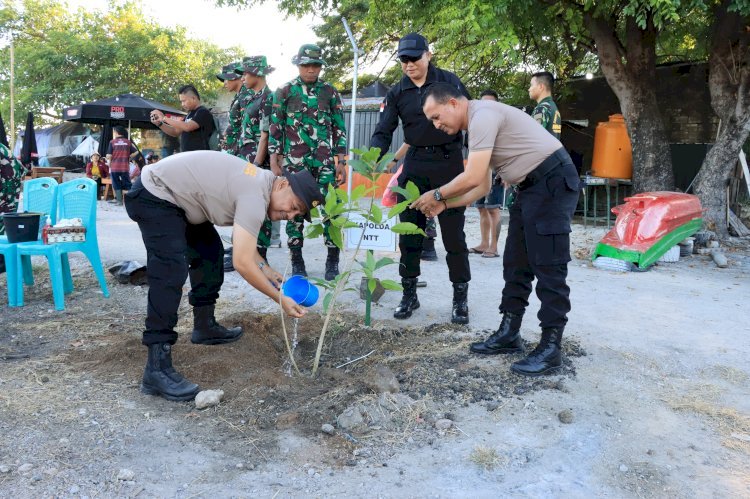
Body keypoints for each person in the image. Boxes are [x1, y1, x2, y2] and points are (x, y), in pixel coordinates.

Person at [124, 150, 325, 401]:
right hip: (155, 194)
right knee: (170, 271)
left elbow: (247, 251)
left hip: (182, 202)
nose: (290, 215)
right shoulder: (255, 194)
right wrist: (279, 298)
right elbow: (241, 262)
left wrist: (265, 268)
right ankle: (157, 367)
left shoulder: (260, 185)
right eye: (293, 207)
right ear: (283, 183)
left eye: (296, 215)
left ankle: (204, 327)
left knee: (210, 253)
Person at [412, 82, 580, 376]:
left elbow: (473, 175)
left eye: (437, 116)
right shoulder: (476, 125)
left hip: (552, 181)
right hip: (529, 187)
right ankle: (509, 333)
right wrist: (446, 205)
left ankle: (551, 348)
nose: (436, 125)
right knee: (516, 262)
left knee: (549, 266)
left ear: (453, 103)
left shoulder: (483, 116)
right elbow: (483, 185)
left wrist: (437, 194)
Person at [370, 32, 472, 324]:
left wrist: (481, 154)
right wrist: (373, 159)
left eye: (414, 57)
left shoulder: (448, 82)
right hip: (414, 166)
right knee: (409, 235)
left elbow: (472, 115)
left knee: (454, 236)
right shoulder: (397, 91)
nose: (409, 64)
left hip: (449, 163)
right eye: (403, 59)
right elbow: (383, 130)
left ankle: (460, 300)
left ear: (428, 55)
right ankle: (409, 294)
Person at [269, 44, 347, 281]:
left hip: (324, 162)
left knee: (331, 208)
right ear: (298, 65)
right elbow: (276, 126)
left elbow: (339, 128)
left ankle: (332, 260)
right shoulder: (284, 91)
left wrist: (340, 160)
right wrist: (275, 158)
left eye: (315, 65)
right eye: (306, 65)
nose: (311, 70)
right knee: (293, 209)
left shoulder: (330, 92)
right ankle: (297, 259)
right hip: (295, 163)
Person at [223, 55, 280, 273]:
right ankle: (243, 250)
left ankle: (259, 254)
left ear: (257, 73)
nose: (243, 77)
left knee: (260, 206)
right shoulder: (252, 98)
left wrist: (256, 164)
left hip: (257, 162)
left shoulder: (268, 98)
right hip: (245, 157)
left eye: (246, 73)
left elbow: (266, 134)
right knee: (244, 203)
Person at [469, 89, 504, 258]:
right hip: (480, 170)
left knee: (493, 209)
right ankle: (484, 244)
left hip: (497, 171)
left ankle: (494, 247)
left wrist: (505, 172)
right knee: (481, 208)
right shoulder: (477, 122)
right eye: (483, 102)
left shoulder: (502, 123)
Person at [150, 85, 216, 152]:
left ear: (193, 98)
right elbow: (175, 132)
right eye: (181, 102)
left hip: (201, 155)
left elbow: (188, 127)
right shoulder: (189, 114)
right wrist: (160, 124)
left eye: (184, 101)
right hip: (189, 155)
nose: (182, 104)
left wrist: (164, 118)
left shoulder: (203, 112)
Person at [0, 143, 28, 274]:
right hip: (9, 182)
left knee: (5, 221)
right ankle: (5, 261)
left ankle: (4, 261)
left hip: (7, 182)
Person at [216, 61, 247, 156]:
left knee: (250, 171)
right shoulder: (239, 97)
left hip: (244, 152)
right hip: (234, 149)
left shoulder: (246, 97)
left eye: (226, 79)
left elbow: (248, 128)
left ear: (235, 77)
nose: (224, 83)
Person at [105, 126, 138, 206]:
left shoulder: (112, 142)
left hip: (115, 167)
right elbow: (136, 152)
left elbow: (109, 155)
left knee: (116, 183)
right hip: (125, 167)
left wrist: (108, 159)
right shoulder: (128, 142)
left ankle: (119, 201)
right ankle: (130, 201)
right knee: (127, 184)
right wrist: (129, 158)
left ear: (116, 132)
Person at [528, 71, 562, 139]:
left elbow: (533, 139)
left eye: (531, 85)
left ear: (541, 87)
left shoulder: (542, 108)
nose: (529, 89)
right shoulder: (552, 106)